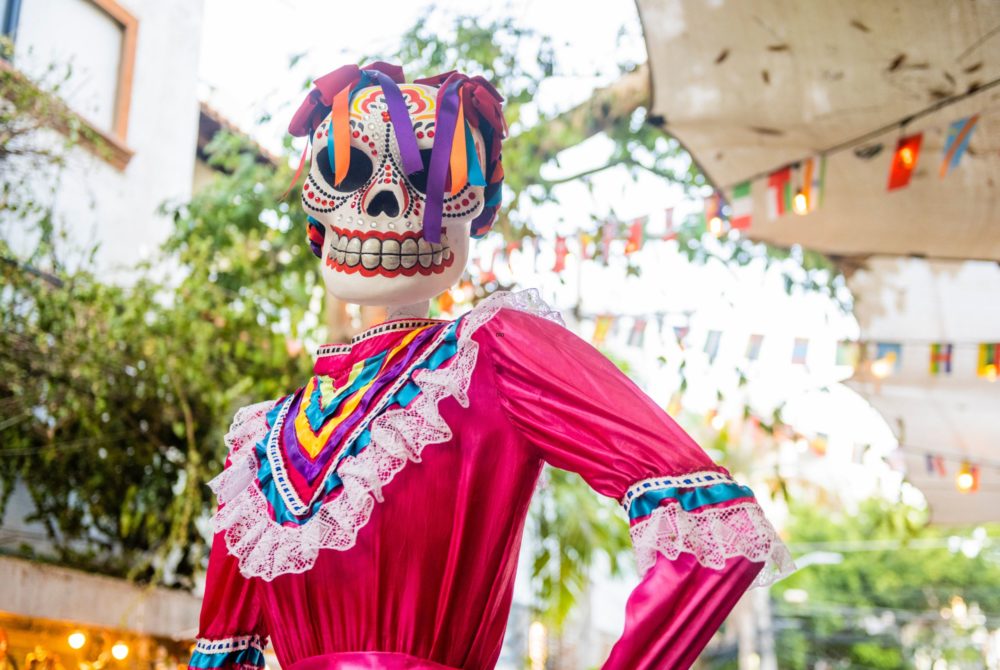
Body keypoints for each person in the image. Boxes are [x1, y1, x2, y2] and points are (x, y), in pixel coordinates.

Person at [187, 61, 795, 670]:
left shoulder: (494, 353)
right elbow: (220, 655)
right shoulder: (258, 442)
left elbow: (714, 526)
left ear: (474, 204)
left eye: (433, 173)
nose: (389, 200)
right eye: (347, 171)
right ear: (318, 209)